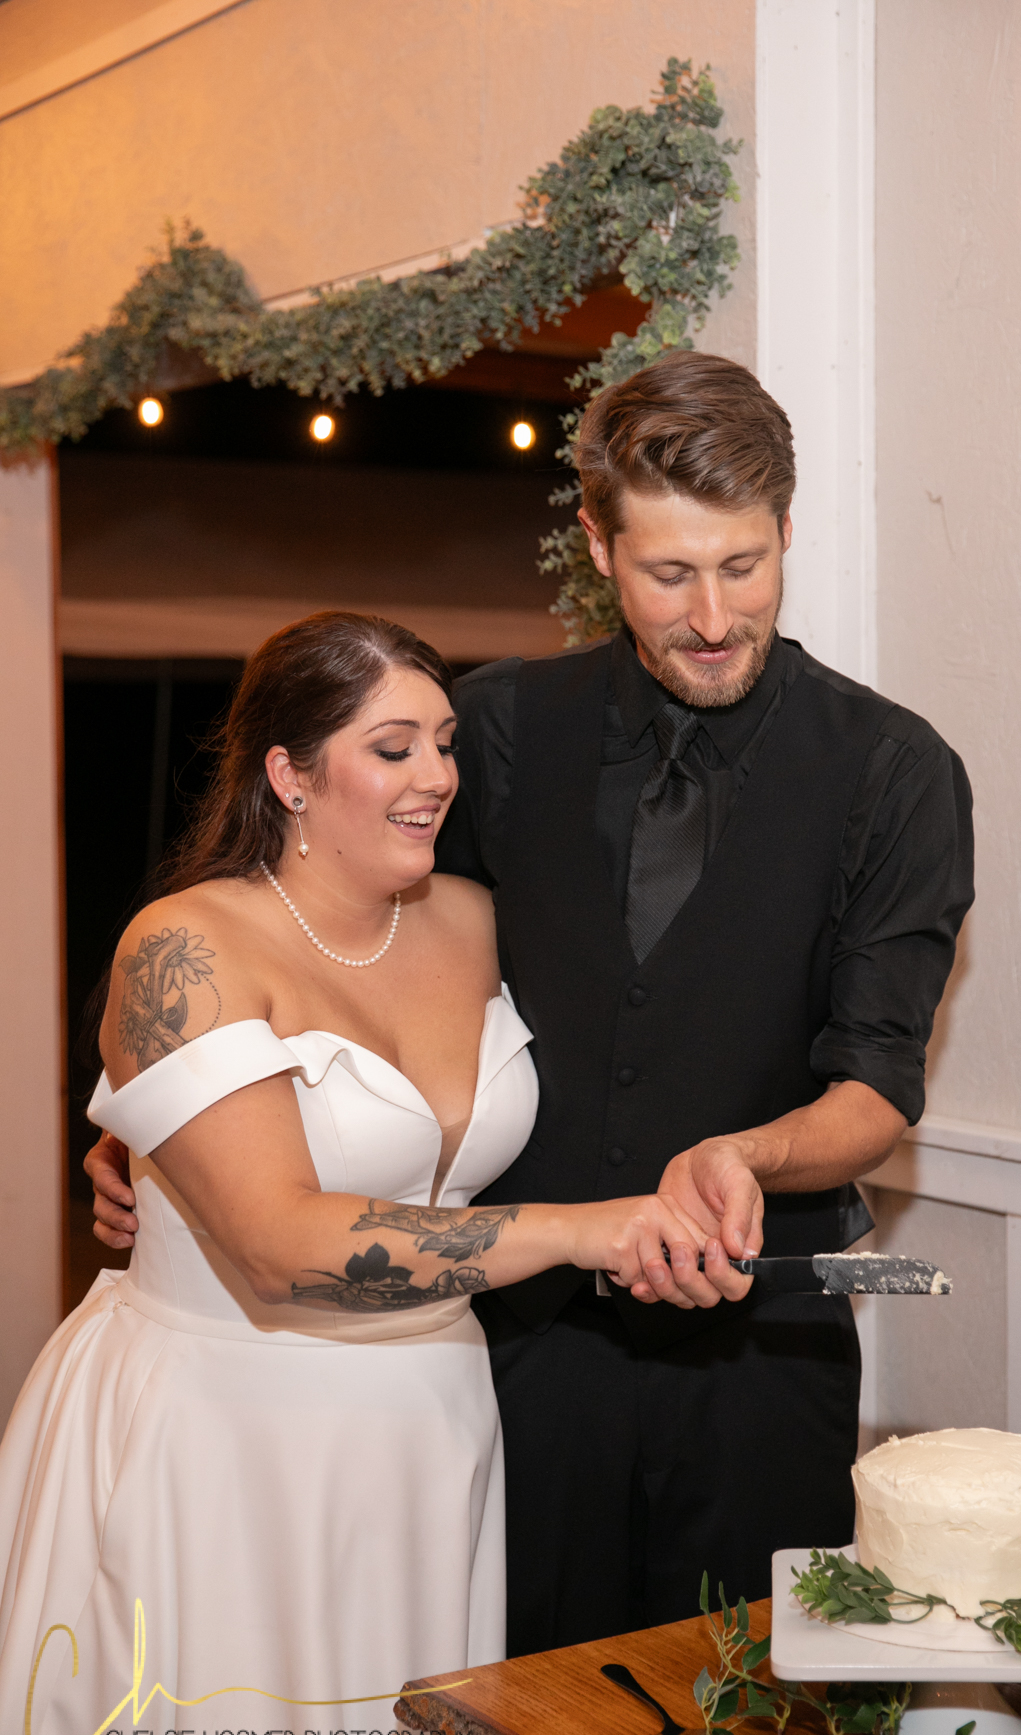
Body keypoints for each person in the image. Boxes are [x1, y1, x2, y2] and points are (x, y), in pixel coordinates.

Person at [92, 351, 975, 1656]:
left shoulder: (896, 773)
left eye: (744, 565)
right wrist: (175, 1134)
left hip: (762, 1358)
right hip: (509, 1353)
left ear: (788, 529)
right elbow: (348, 953)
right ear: (600, 550)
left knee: (748, 1717)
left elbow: (877, 1086)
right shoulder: (493, 730)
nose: (714, 616)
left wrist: (746, 1154)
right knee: (503, 1712)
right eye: (670, 574)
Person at [2, 614, 741, 1735]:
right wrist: (582, 1230)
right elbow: (277, 1245)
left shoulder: (483, 922)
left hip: (431, 1428)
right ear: (289, 775)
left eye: (444, 744)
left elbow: (633, 1070)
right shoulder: (182, 947)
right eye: (392, 748)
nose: (437, 775)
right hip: (228, 1435)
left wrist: (716, 1176)